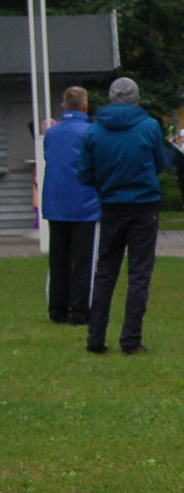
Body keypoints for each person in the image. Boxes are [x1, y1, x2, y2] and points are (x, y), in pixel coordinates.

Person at [79, 77, 171, 354]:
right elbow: (161, 162)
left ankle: (96, 337)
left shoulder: (94, 131)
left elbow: (84, 173)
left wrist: (106, 183)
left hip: (111, 205)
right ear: (136, 98)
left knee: (106, 271)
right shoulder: (148, 126)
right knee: (139, 273)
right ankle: (131, 338)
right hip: (143, 205)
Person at [42, 86, 100, 325]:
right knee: (84, 261)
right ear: (85, 107)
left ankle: (57, 308)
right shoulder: (91, 132)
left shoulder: (52, 133)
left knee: (59, 259)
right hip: (84, 204)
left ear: (64, 106)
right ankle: (80, 310)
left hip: (56, 202)